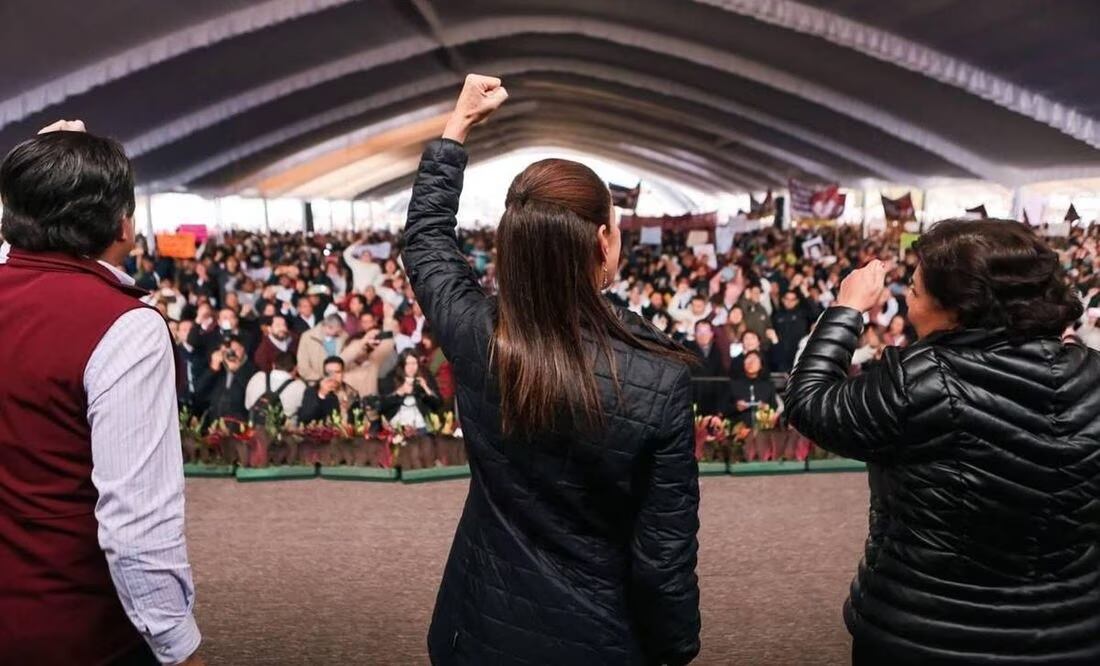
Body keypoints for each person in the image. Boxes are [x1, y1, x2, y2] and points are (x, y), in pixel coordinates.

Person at [405, 75, 700, 666]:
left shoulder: (477, 334)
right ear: (602, 241)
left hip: (478, 626)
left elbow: (426, 242)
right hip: (600, 636)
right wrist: (674, 649)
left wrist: (455, 129)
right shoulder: (658, 380)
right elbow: (662, 558)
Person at [785, 219, 1100, 665]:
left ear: (957, 307)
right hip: (1072, 633)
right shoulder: (1094, 374)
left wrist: (847, 309)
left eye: (913, 291)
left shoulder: (922, 378)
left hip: (924, 632)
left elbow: (809, 403)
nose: (907, 303)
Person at [0, 121, 203, 664]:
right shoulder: (124, 328)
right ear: (124, 225)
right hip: (81, 632)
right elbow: (136, 525)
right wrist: (178, 646)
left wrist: (39, 175)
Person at [379, 349, 443, 430]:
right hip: (396, 426)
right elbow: (381, 406)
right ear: (402, 365)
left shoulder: (425, 376)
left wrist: (425, 388)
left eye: (414, 363)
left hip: (420, 426)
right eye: (407, 364)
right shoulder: (391, 379)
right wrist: (399, 392)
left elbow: (438, 404)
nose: (411, 367)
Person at [244, 352, 307, 427]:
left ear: (273, 365)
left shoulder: (257, 377)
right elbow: (305, 414)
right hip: (283, 435)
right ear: (296, 369)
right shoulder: (300, 386)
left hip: (253, 432)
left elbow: (247, 406)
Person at [297, 356, 361, 424]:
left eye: (337, 372)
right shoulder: (312, 391)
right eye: (329, 373)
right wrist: (321, 395)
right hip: (322, 432)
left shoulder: (352, 393)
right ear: (324, 375)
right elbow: (305, 418)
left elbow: (358, 420)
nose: (333, 376)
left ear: (343, 374)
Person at [727, 351, 778, 426]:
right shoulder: (733, 384)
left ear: (761, 366)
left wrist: (766, 408)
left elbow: (775, 408)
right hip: (739, 428)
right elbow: (724, 409)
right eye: (748, 359)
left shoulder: (768, 386)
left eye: (755, 360)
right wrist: (736, 407)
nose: (751, 363)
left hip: (763, 428)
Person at [297, 314, 348, 383]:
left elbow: (348, 360)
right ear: (328, 327)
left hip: (339, 382)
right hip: (316, 383)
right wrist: (320, 380)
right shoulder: (307, 337)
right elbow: (303, 366)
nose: (339, 333)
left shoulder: (344, 336)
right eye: (336, 332)